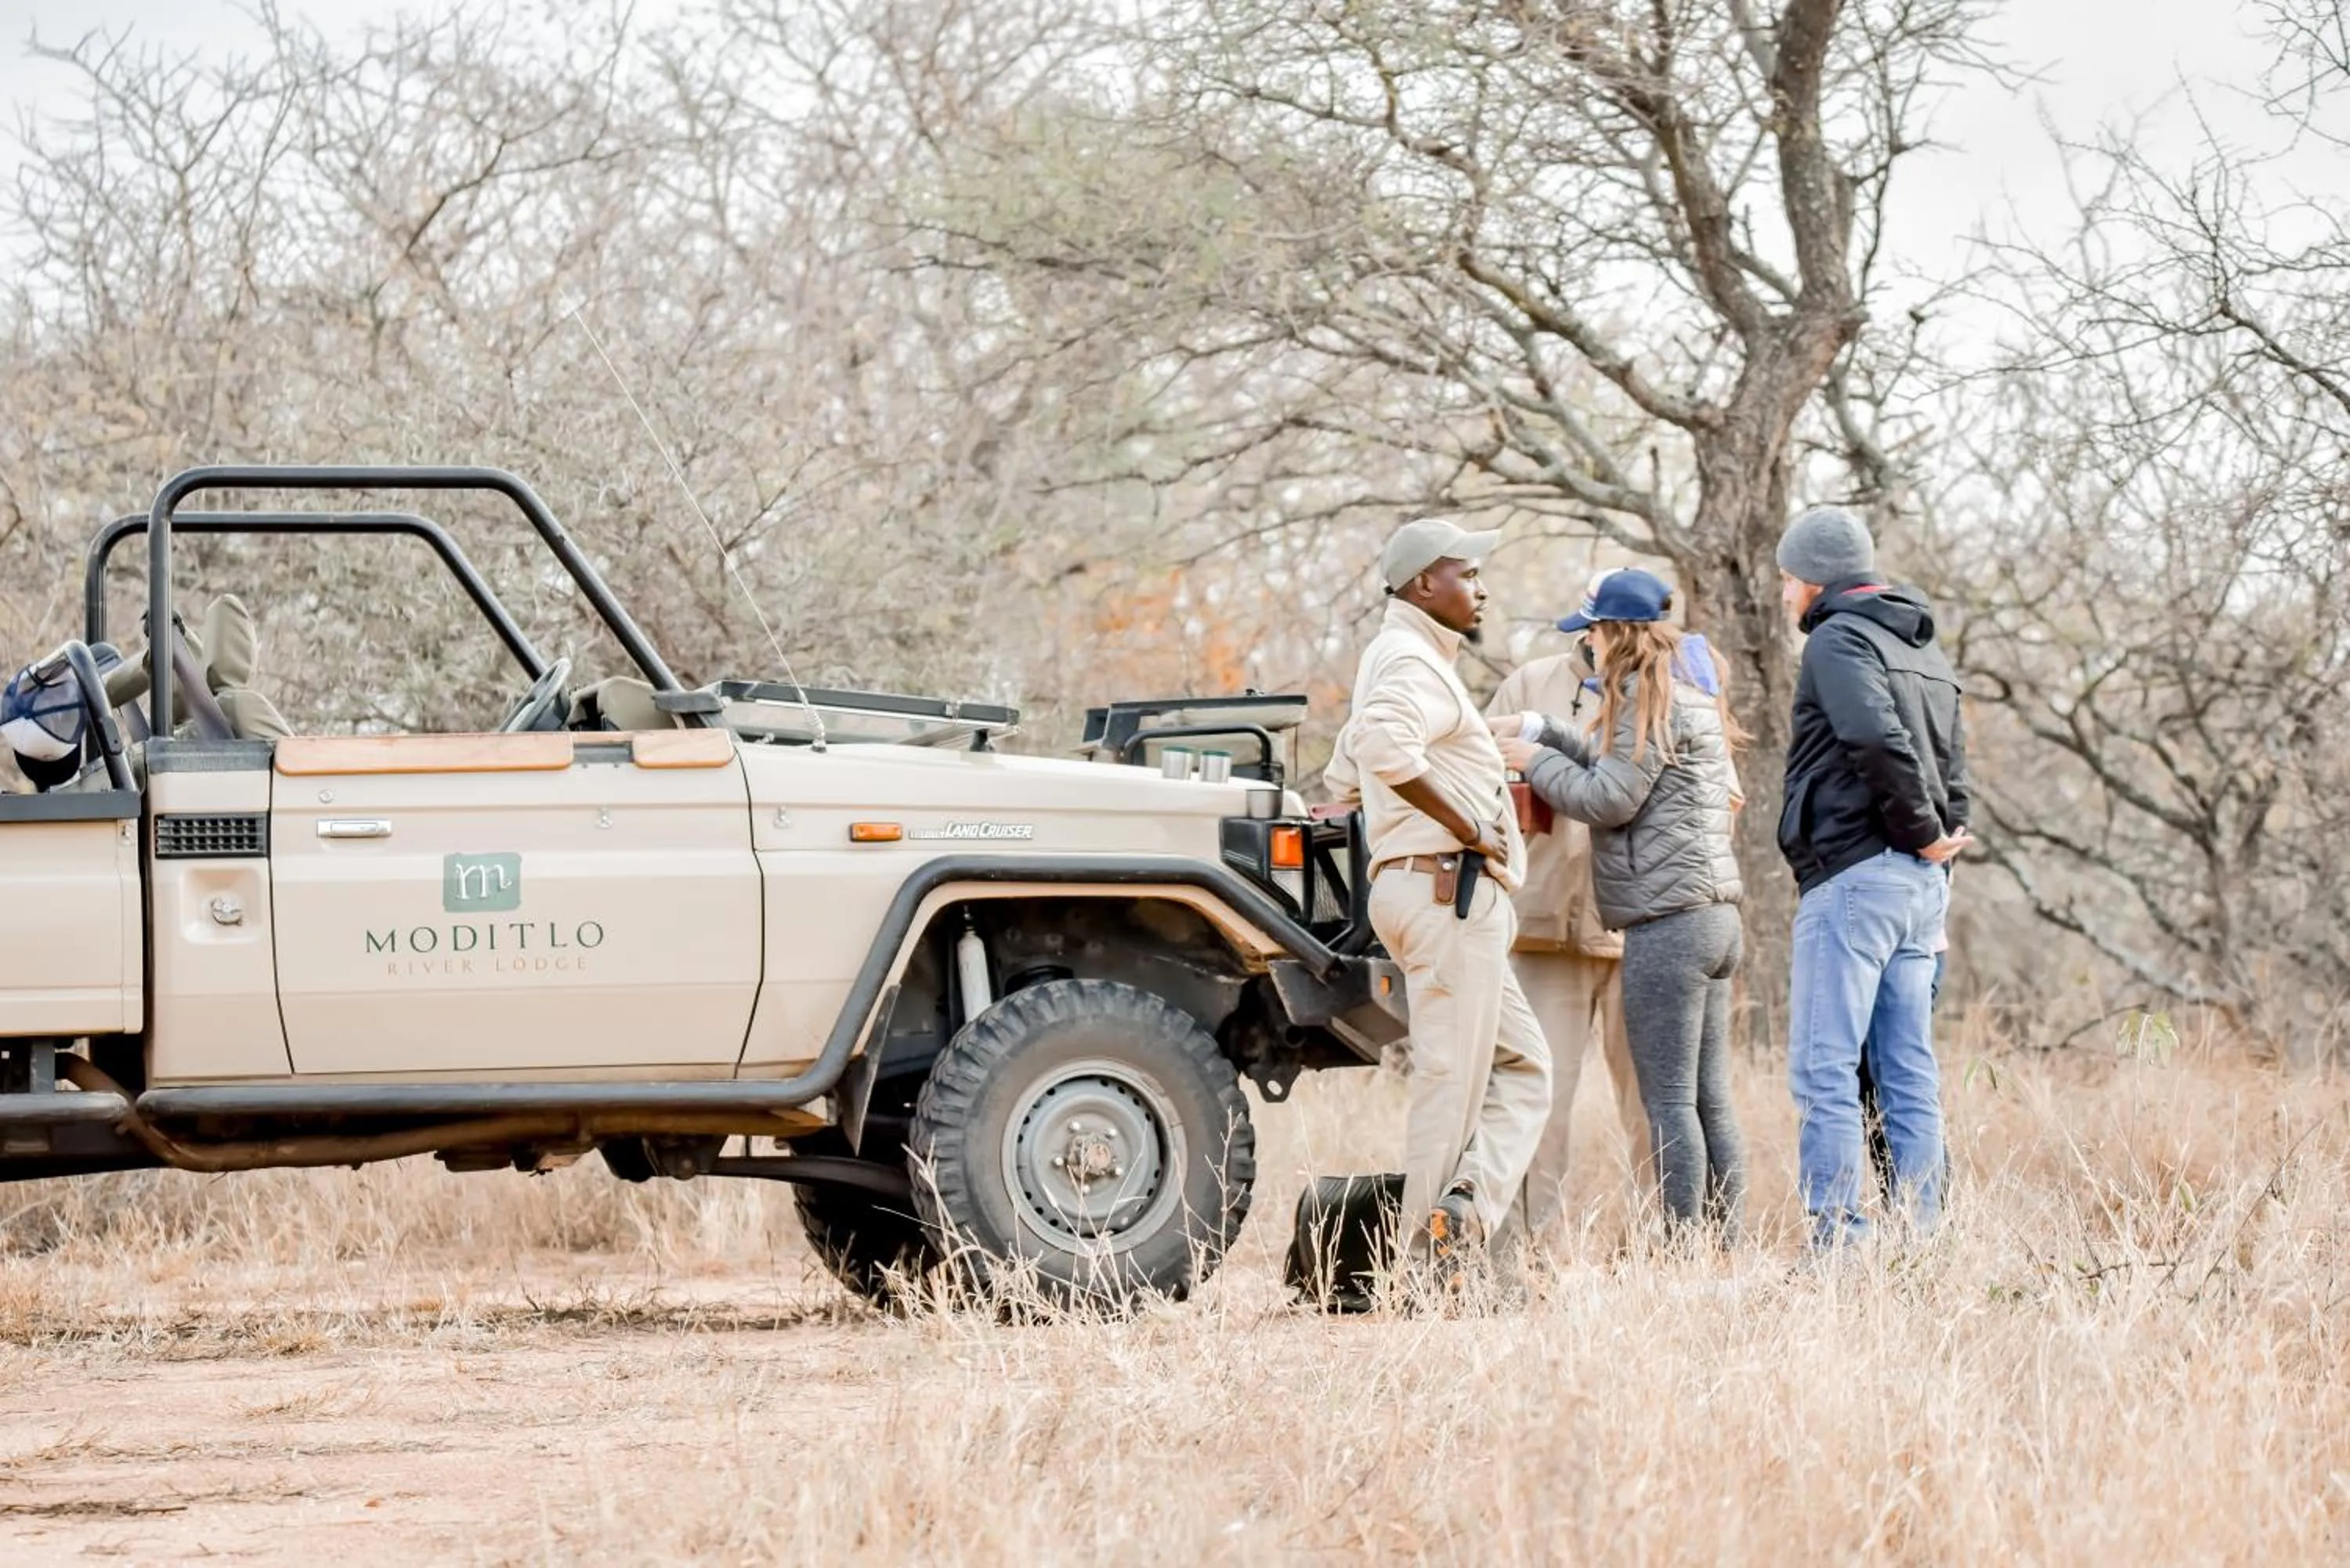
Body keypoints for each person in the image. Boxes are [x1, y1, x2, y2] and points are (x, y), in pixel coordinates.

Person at [1324, 518, 1552, 1283]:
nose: (1481, 587)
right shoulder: (1409, 656)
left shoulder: (1402, 657)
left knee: (1524, 1068)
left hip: (1430, 889)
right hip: (1448, 886)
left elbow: (1343, 773)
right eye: (1468, 573)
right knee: (1452, 1083)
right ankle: (1428, 1272)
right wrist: (1471, 823)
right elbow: (1382, 749)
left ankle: (1464, 1208)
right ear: (1425, 582)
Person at [1493, 568, 1747, 1243]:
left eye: (1595, 632)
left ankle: (1681, 1249)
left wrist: (1535, 761)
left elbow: (1610, 797)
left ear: (1613, 633)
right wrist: (1545, 731)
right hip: (1704, 916)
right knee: (1703, 1096)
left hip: (1661, 925)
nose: (1592, 645)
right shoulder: (1682, 689)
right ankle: (1722, 1245)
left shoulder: (1644, 695)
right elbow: (1618, 765)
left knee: (1664, 1102)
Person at [1773, 505, 1970, 1251]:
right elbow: (1953, 753)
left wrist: (1921, 831)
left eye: (1789, 580)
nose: (1788, 596)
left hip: (1856, 876)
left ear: (1815, 578)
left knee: (1823, 1067)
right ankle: (1924, 1241)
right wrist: (1943, 835)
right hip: (1921, 888)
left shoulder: (1837, 639)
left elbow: (1872, 737)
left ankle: (1839, 1246)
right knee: (1908, 1071)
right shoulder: (1920, 642)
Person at [1483, 576, 1646, 1245]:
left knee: (1654, 1105)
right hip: (1544, 922)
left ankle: (1667, 1253)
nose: (1588, 635)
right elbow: (1477, 784)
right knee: (1536, 1100)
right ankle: (1526, 1253)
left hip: (1643, 931)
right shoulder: (1529, 685)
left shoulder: (1666, 691)